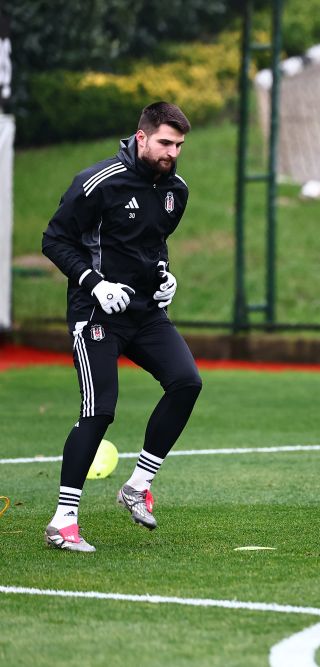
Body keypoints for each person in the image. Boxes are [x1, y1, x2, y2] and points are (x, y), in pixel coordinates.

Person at [41, 102, 202, 551]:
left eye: (179, 145)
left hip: (145, 312)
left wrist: (165, 277)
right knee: (100, 409)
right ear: (142, 137)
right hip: (95, 314)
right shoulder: (99, 181)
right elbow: (54, 240)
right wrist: (95, 283)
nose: (172, 153)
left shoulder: (176, 191)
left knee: (187, 382)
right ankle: (63, 522)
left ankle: (137, 486)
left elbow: (154, 244)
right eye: (166, 143)